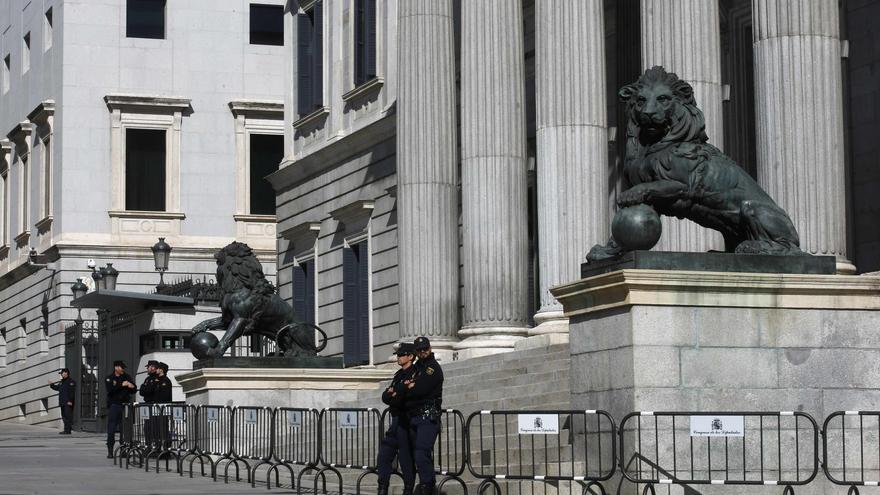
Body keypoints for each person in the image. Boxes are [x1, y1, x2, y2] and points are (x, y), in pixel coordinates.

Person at [405, 337, 444, 495]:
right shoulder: (416, 368)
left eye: (425, 349)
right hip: (414, 416)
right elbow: (402, 386)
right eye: (420, 350)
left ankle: (427, 486)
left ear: (430, 348)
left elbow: (420, 389)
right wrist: (407, 387)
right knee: (417, 455)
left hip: (428, 416)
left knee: (422, 452)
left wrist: (410, 387)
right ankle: (427, 485)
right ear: (416, 352)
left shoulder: (432, 368)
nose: (423, 352)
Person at [377, 343, 417, 495]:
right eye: (398, 355)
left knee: (406, 458)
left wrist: (397, 393)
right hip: (395, 420)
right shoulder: (398, 375)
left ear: (411, 356)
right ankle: (382, 488)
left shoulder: (415, 372)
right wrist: (396, 393)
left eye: (402, 355)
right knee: (384, 455)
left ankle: (408, 489)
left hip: (406, 420)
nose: (398, 357)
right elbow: (386, 397)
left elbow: (404, 396)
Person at [105, 360, 136, 459]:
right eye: (121, 368)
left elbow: (134, 389)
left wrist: (132, 386)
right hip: (114, 405)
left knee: (125, 429)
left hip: (125, 405)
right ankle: (110, 450)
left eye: (123, 368)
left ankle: (124, 450)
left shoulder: (127, 377)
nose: (122, 370)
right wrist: (121, 385)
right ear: (116, 368)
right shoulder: (110, 378)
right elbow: (110, 390)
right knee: (111, 429)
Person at [152, 362, 173, 449]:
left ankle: (165, 448)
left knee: (163, 428)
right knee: (156, 428)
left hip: (163, 407)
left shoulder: (166, 381)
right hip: (155, 406)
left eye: (158, 368)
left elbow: (164, 395)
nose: (156, 370)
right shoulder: (155, 380)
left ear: (161, 370)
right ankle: (157, 447)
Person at [48, 368, 76, 434]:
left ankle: (68, 430)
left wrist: (70, 401)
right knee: (63, 416)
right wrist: (52, 385)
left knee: (68, 416)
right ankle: (66, 429)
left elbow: (72, 393)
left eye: (62, 373)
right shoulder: (62, 382)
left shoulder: (71, 382)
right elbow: (57, 388)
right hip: (62, 402)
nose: (61, 375)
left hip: (68, 402)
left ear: (66, 373)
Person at [138, 360, 159, 446]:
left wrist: (144, 388)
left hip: (153, 404)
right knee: (147, 427)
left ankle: (155, 446)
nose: (147, 369)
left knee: (154, 427)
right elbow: (141, 392)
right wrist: (144, 388)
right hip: (147, 404)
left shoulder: (156, 379)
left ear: (153, 367)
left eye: (149, 367)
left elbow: (149, 390)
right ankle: (148, 445)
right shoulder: (148, 379)